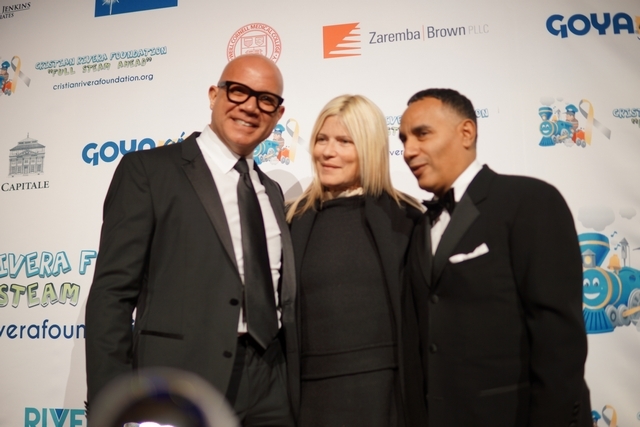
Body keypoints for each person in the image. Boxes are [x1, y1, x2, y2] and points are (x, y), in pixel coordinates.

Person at [85, 54, 297, 427]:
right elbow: (111, 296)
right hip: (179, 382)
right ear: (214, 95)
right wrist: (114, 407)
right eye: (238, 91)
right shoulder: (148, 171)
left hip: (271, 383)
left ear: (278, 115)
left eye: (266, 100)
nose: (250, 106)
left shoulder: (272, 191)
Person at [398, 88, 591, 427]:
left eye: (422, 134)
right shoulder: (419, 226)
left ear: (466, 132)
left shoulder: (530, 201)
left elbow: (559, 341)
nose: (408, 151)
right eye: (403, 140)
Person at [286, 94, 426, 426]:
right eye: (322, 139)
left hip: (386, 396)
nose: (327, 151)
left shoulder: (408, 219)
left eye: (344, 141)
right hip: (311, 400)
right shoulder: (290, 220)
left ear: (369, 148)